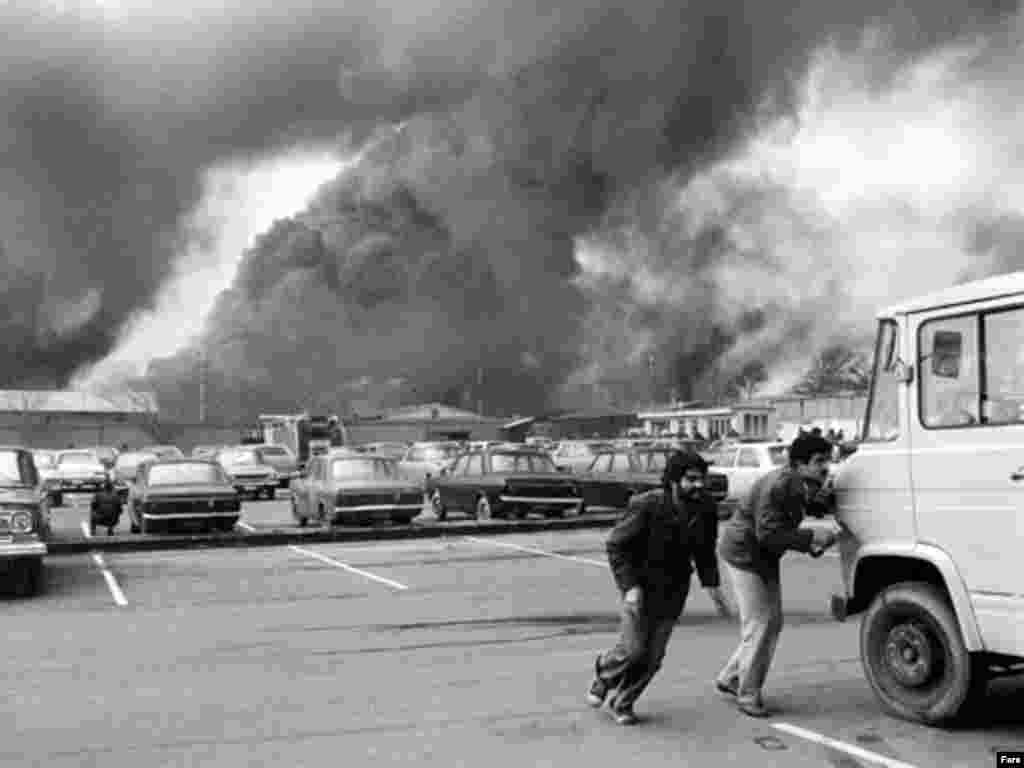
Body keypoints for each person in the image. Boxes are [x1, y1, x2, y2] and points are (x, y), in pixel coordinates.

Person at [587, 451, 731, 725]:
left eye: (702, 479)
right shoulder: (646, 505)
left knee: (653, 658)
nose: (699, 486)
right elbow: (616, 546)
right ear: (674, 480)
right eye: (691, 479)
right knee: (633, 650)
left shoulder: (706, 509)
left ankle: (623, 701)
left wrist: (713, 588)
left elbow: (704, 552)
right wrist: (629, 587)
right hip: (641, 587)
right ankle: (604, 673)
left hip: (674, 590)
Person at [714, 433, 839, 718]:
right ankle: (747, 694)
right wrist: (811, 538)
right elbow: (768, 534)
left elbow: (803, 512)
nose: (825, 467)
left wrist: (813, 539)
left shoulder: (803, 484)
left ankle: (731, 678)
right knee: (760, 623)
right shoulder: (778, 486)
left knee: (772, 622)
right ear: (798, 464)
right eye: (819, 461)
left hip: (762, 555)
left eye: (827, 460)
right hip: (744, 554)